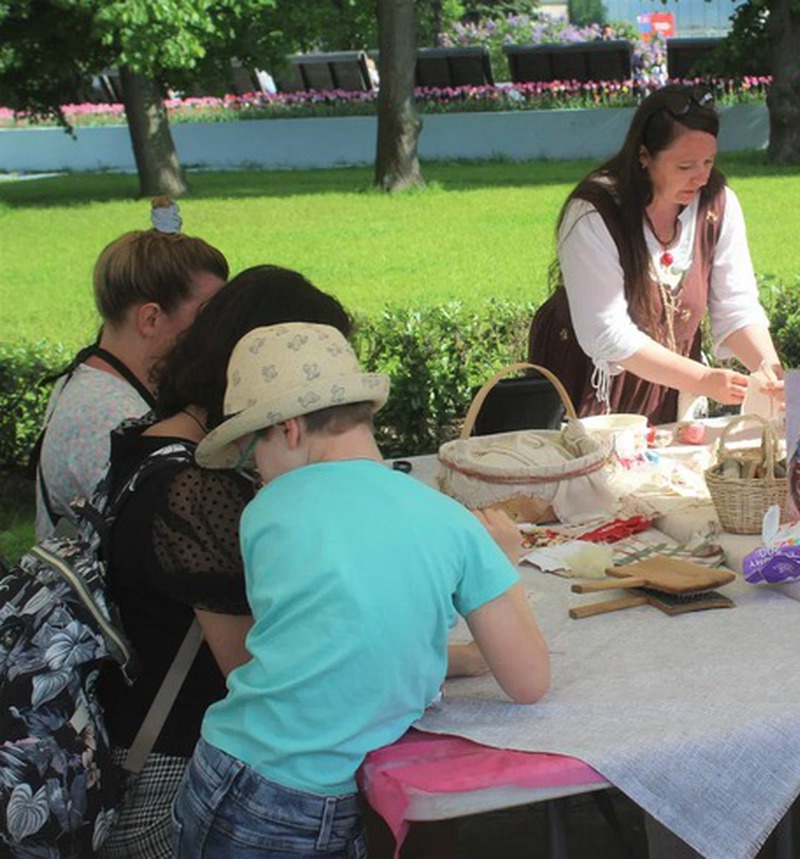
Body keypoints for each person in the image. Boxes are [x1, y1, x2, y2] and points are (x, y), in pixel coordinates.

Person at [174, 322, 549, 857]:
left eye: (249, 452)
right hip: (299, 794)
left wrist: (457, 656)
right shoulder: (449, 520)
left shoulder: (266, 513)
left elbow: (338, 637)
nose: (254, 472)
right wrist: (500, 564)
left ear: (289, 429)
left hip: (235, 769)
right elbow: (530, 680)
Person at [98, 266, 355, 858]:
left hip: (138, 745)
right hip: (172, 788)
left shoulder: (152, 440)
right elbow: (260, 670)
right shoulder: (197, 488)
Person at [528, 83, 783, 423]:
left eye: (709, 161)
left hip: (671, 382)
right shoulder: (594, 212)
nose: (701, 177)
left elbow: (736, 307)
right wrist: (704, 380)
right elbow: (607, 333)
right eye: (685, 166)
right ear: (644, 157)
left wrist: (771, 371)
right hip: (591, 382)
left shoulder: (717, 205)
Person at [34, 199, 227, 538]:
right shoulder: (109, 415)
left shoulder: (97, 378)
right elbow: (179, 539)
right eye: (209, 314)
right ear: (150, 318)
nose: (219, 329)